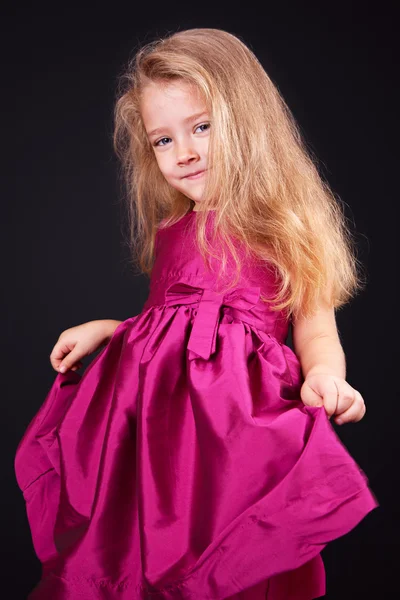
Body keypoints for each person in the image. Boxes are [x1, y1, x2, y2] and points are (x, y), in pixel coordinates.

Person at [15, 28, 378, 600]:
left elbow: (316, 327)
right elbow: (167, 327)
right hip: (158, 437)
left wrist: (327, 377)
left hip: (239, 430)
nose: (182, 152)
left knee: (228, 559)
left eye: (202, 127)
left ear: (247, 120)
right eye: (162, 140)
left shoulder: (287, 226)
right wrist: (111, 331)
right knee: (144, 553)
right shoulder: (170, 230)